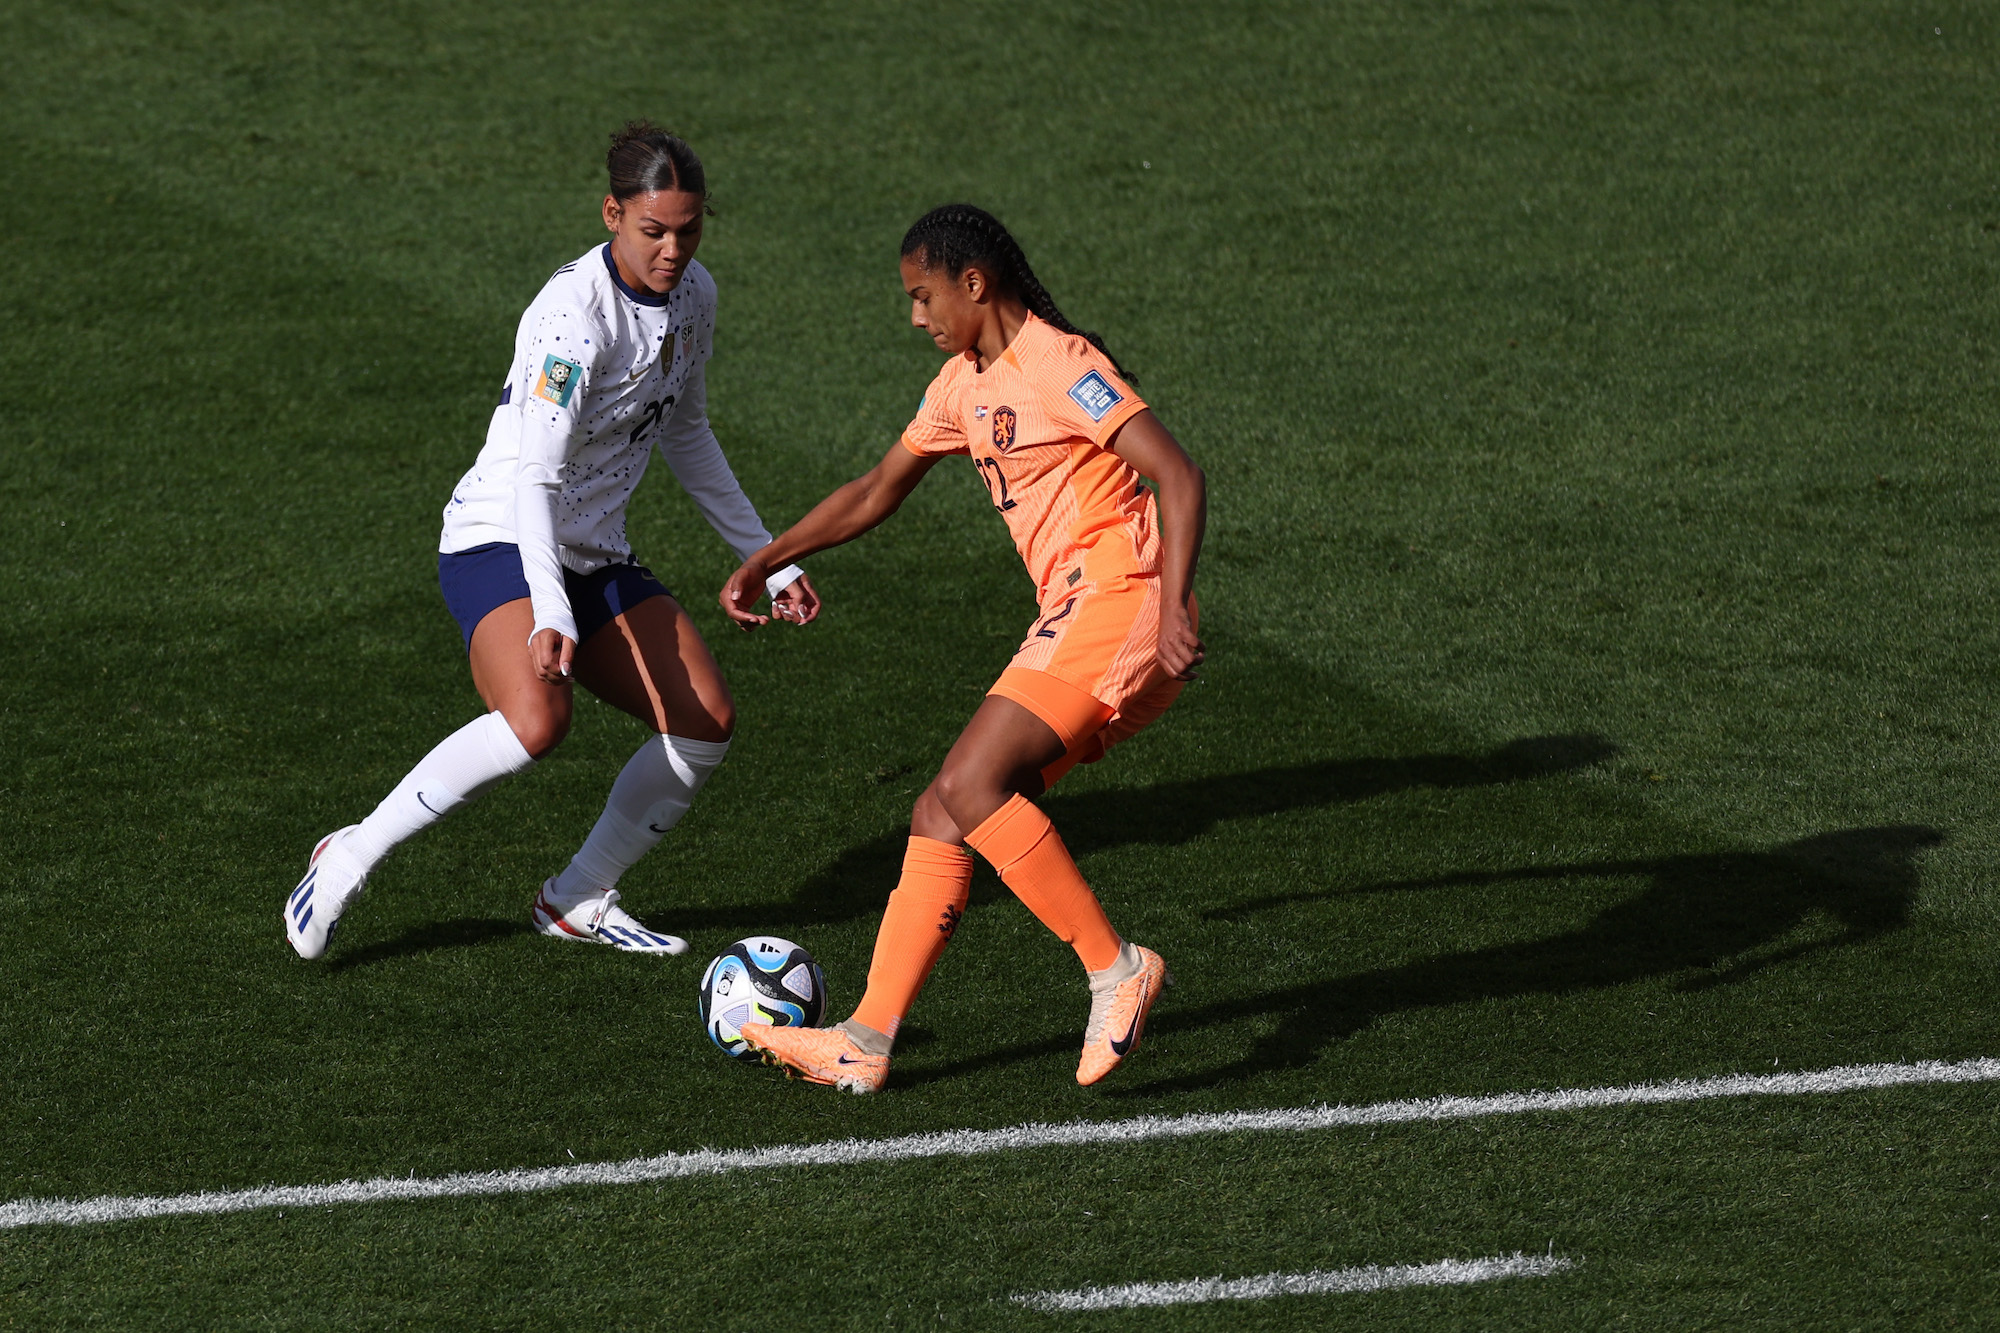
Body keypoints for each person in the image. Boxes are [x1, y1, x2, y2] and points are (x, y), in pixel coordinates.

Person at [284, 122, 816, 961]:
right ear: (613, 213)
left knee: (705, 720)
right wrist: (548, 609)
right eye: (654, 231)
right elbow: (534, 478)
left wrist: (769, 557)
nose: (674, 249)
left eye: (690, 228)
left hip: (594, 549)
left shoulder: (696, 296)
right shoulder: (570, 317)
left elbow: (688, 433)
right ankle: (349, 854)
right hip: (501, 535)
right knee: (536, 718)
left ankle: (578, 896)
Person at [720, 204, 1206, 1091]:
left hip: (1121, 600)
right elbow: (876, 489)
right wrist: (772, 555)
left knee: (969, 785)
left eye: (923, 296)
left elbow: (1178, 472)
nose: (916, 317)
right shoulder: (963, 384)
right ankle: (865, 1039)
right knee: (941, 814)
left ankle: (1117, 969)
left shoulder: (1061, 365)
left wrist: (1174, 609)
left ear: (973, 284)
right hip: (1075, 610)